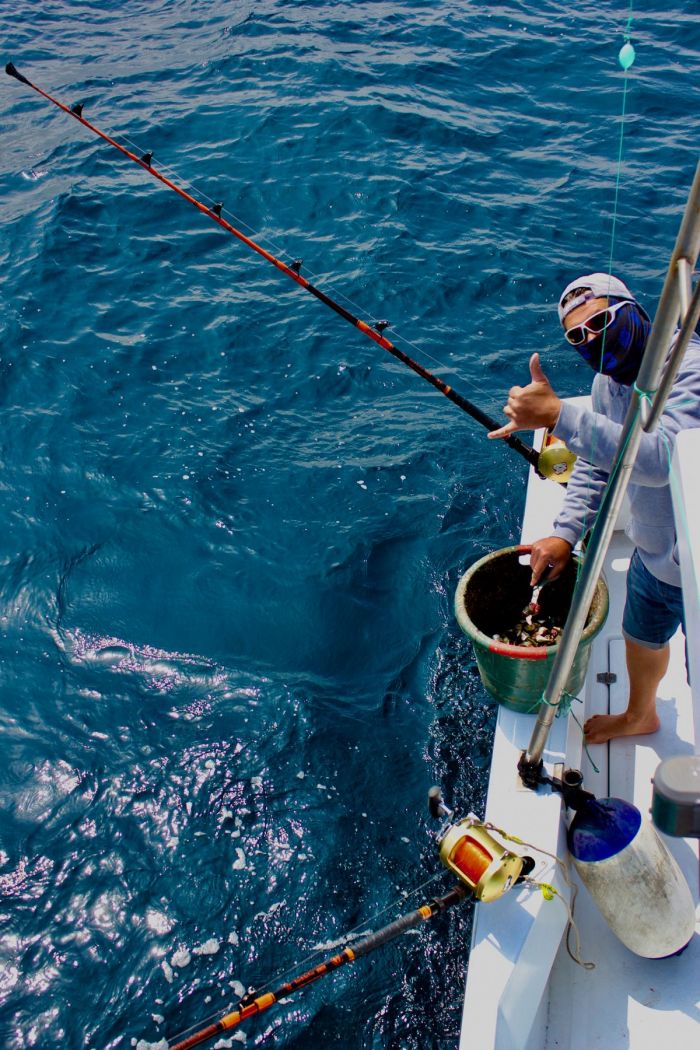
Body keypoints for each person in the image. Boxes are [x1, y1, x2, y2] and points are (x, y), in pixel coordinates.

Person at [487, 272, 700, 744]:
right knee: (642, 637)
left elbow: (662, 459)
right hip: (653, 554)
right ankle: (640, 714)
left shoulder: (691, 369)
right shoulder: (609, 383)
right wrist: (565, 533)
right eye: (577, 335)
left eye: (602, 320)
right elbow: (597, 463)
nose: (592, 338)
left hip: (699, 571)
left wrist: (561, 416)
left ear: (638, 311)